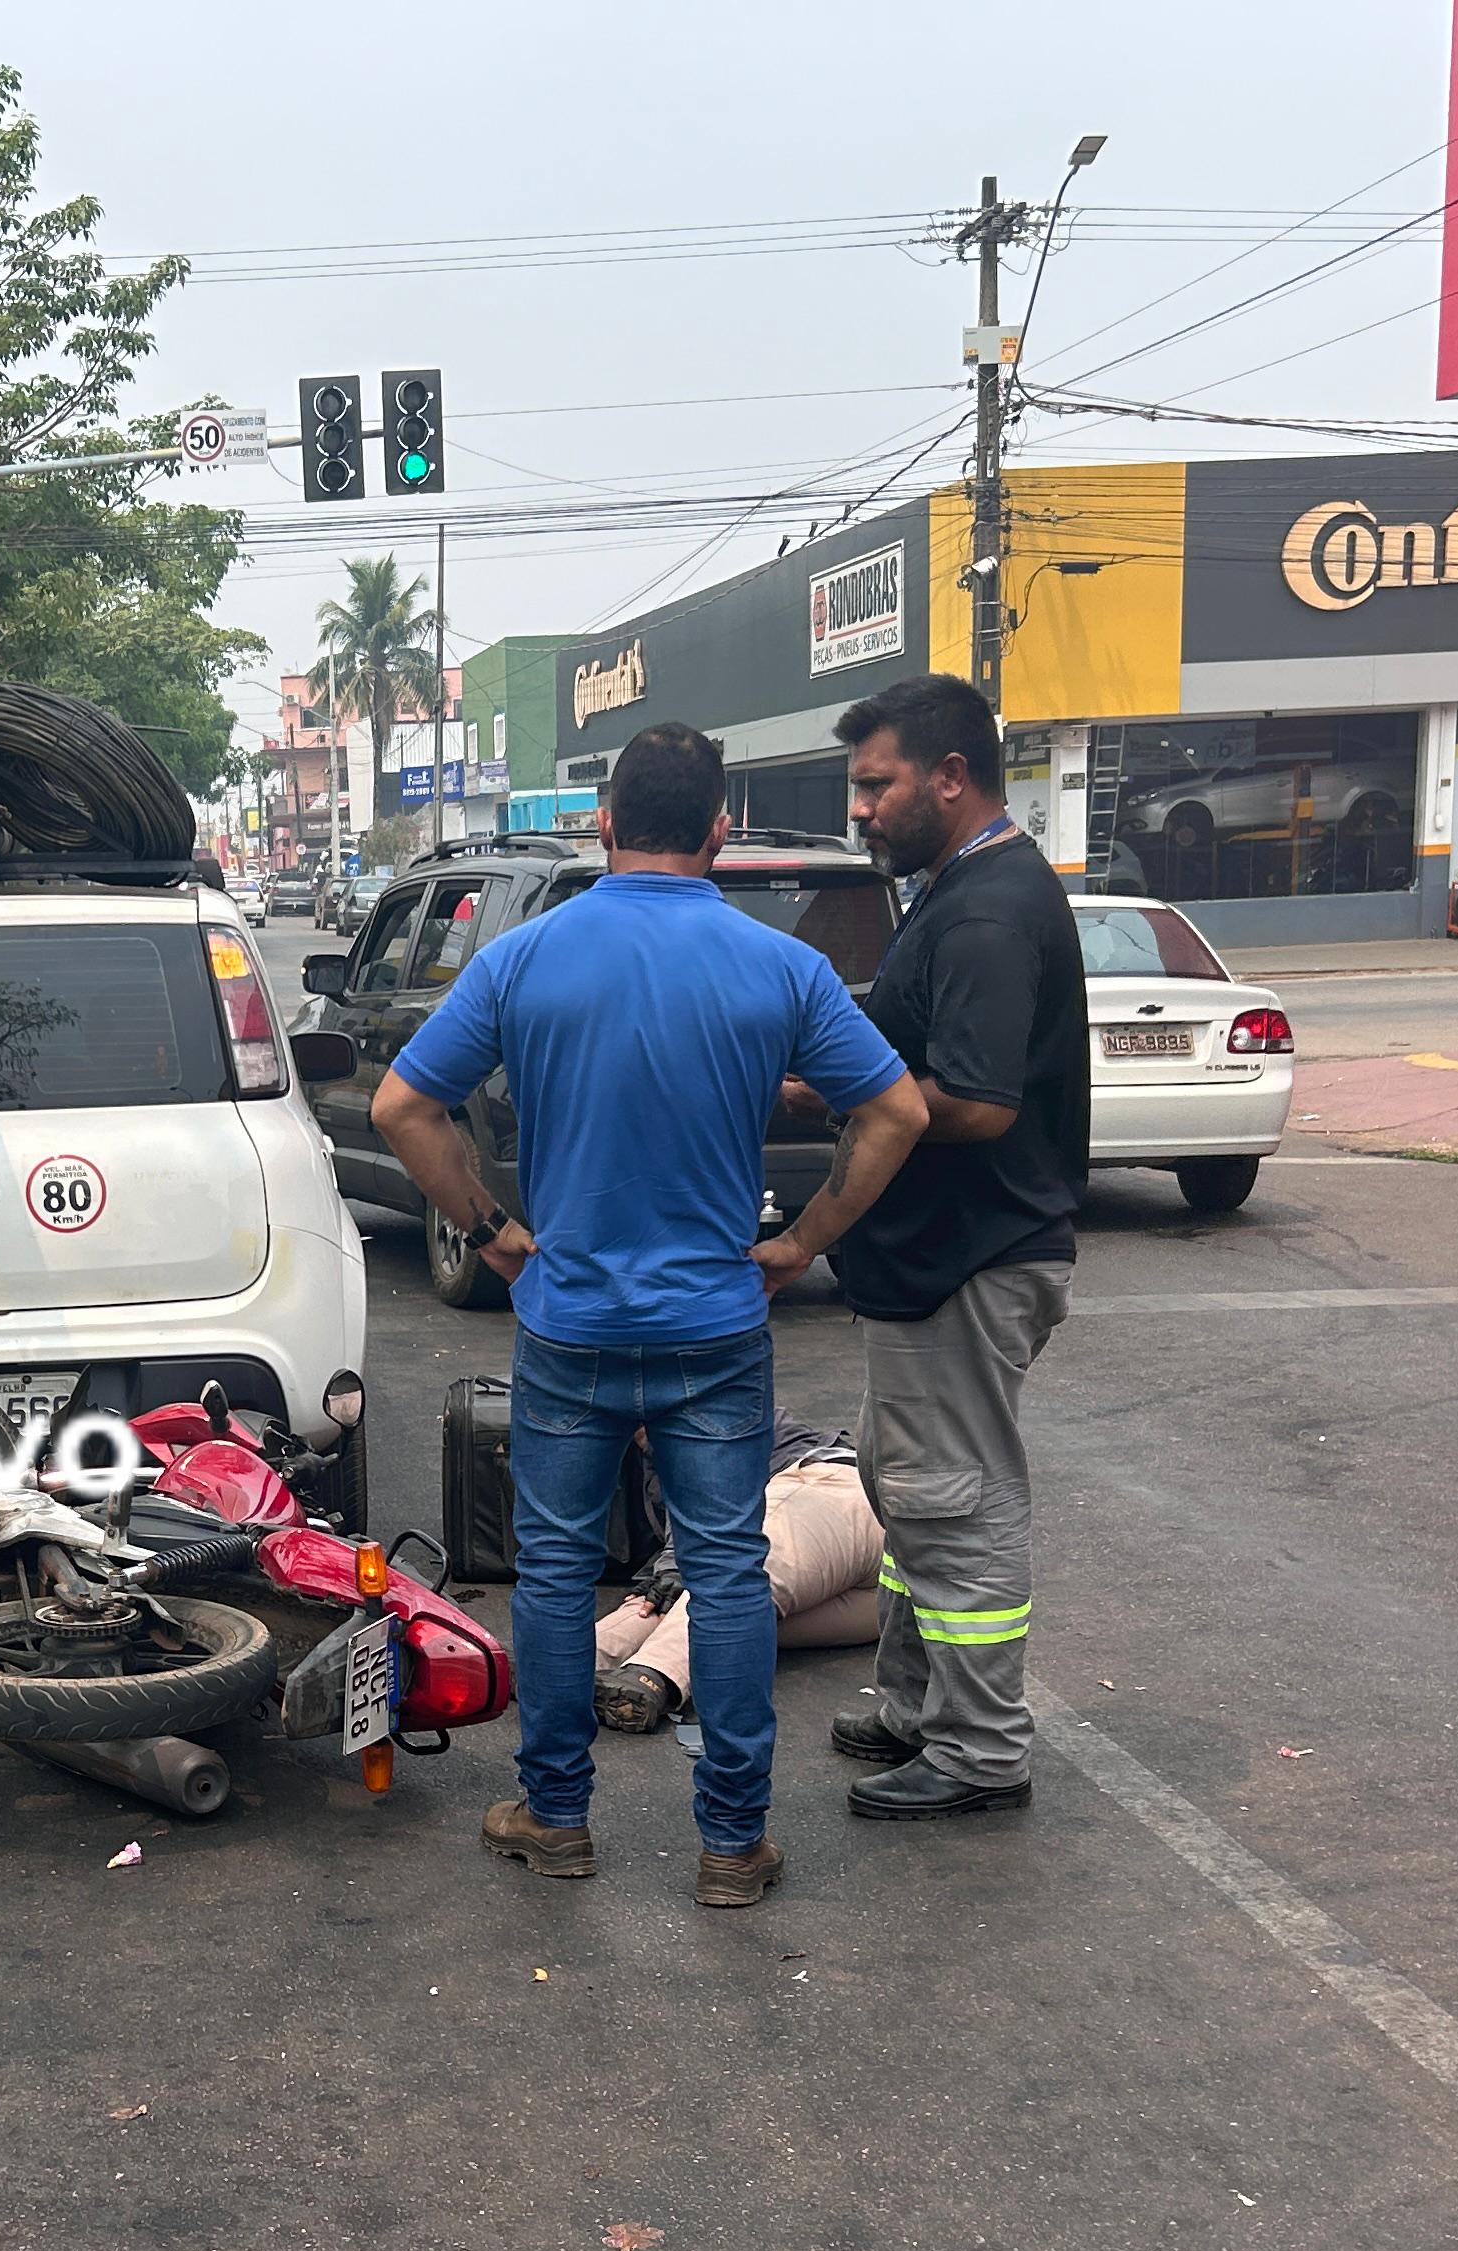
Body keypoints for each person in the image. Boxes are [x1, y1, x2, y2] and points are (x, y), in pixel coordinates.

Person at [376, 722, 927, 1908]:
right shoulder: (778, 967)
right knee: (729, 1574)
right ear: (722, 832)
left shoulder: (523, 960)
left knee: (561, 1569)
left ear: (606, 826)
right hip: (718, 1327)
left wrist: (496, 1235)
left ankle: (556, 1815)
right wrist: (803, 1241)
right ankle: (732, 1843)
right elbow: (893, 1113)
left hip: (569, 1322)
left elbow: (402, 1107)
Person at [817, 674, 1089, 1821]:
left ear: (950, 776)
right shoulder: (957, 890)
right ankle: (918, 1704)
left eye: (876, 785)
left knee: (955, 1498)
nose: (862, 809)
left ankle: (980, 1749)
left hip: (972, 1259)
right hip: (938, 1262)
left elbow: (974, 1102)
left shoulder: (984, 911)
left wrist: (849, 1093)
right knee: (906, 1484)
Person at [593, 1410, 885, 1733]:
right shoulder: (639, 1453)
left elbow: (705, 1490)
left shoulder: (710, 1411)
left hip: (832, 1489)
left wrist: (674, 1568)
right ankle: (574, 1663)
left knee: (730, 1581)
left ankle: (651, 1673)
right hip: (879, 1597)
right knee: (689, 1605)